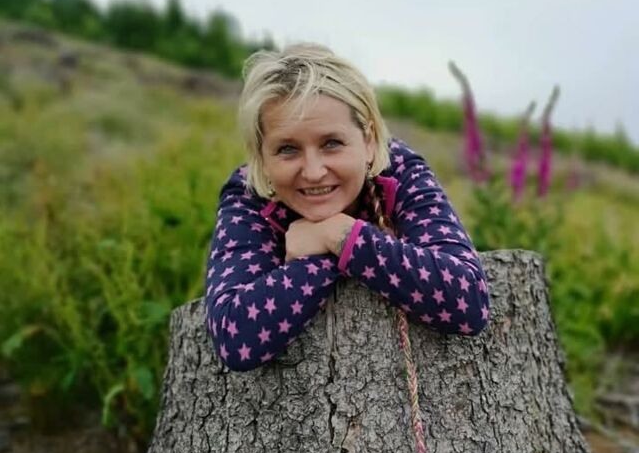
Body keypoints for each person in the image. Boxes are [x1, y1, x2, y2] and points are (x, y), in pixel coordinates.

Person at [204, 43, 490, 373]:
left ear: (368, 141)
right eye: (287, 149)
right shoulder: (248, 194)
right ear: (261, 157)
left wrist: (340, 236)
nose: (313, 172)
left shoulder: (398, 169)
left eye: (331, 143)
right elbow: (233, 334)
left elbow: (469, 299)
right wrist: (326, 259)